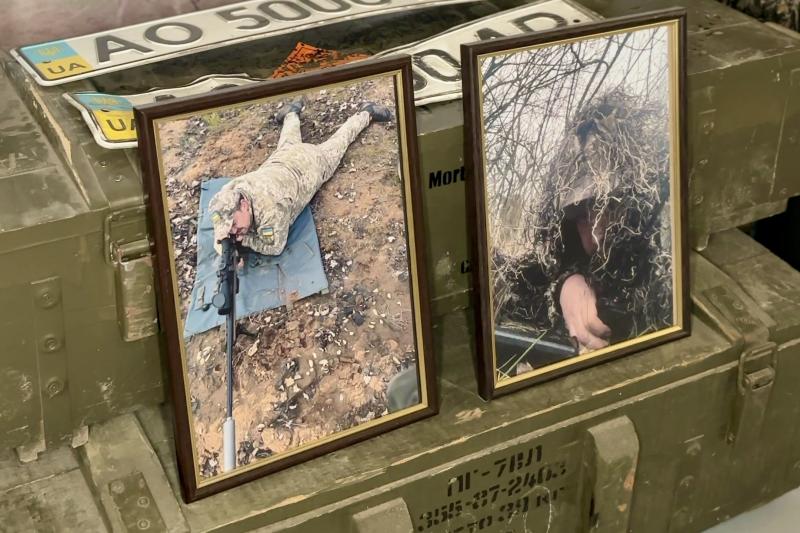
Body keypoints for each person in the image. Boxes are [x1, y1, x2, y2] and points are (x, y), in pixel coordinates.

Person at [495, 91, 674, 357]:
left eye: (610, 207)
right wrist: (565, 286)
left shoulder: (666, 272)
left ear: (636, 205)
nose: (596, 233)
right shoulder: (569, 257)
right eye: (582, 217)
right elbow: (514, 286)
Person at [208, 99, 393, 256]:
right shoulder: (229, 192)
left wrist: (244, 240)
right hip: (282, 158)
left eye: (234, 224)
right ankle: (291, 113)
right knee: (289, 139)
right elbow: (219, 218)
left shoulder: (270, 209)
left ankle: (366, 112)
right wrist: (225, 239)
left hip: (312, 163)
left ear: (244, 205)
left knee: (340, 141)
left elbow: (275, 247)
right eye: (231, 228)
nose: (234, 231)